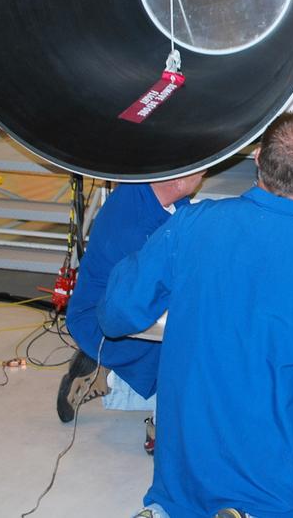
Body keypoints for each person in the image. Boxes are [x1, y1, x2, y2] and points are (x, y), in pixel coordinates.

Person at [100, 109, 293, 518]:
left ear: (257, 159)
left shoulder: (193, 224)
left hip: (185, 485)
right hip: (272, 495)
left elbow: (117, 313)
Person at [58, 174, 204, 452]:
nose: (203, 172)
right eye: (200, 170)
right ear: (178, 181)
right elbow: (140, 302)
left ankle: (104, 369)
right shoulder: (132, 227)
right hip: (103, 321)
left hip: (124, 306)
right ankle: (161, 421)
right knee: (192, 340)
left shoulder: (157, 196)